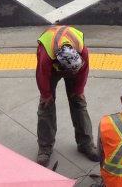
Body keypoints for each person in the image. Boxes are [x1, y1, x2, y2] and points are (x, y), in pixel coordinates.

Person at [35, 25, 99, 166]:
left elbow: (84, 70)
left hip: (71, 64)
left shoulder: (82, 50)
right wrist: (46, 94)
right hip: (50, 69)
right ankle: (45, 148)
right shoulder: (47, 54)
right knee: (46, 106)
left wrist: (79, 90)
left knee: (79, 102)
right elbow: (42, 74)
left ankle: (86, 144)